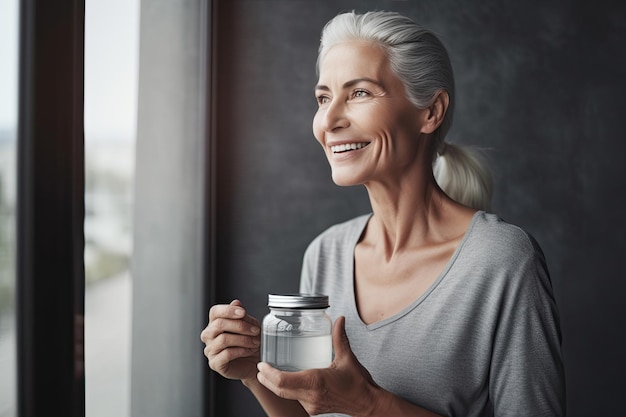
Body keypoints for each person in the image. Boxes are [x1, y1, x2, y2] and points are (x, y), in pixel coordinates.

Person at [201, 10, 566, 417]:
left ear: (431, 112)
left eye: (359, 93)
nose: (329, 120)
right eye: (324, 98)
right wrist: (254, 371)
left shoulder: (502, 260)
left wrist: (369, 403)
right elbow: (318, 410)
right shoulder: (325, 254)